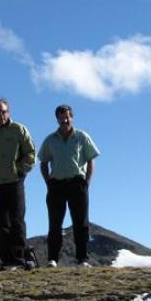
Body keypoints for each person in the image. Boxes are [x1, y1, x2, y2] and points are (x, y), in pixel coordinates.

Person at [38, 104, 100, 267]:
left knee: (81, 223)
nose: (65, 120)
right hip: (56, 185)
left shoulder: (82, 137)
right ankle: (52, 259)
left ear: (72, 117)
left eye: (67, 116)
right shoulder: (50, 140)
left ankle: (82, 259)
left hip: (77, 183)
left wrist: (86, 183)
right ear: (57, 119)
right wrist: (48, 182)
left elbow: (90, 160)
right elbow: (43, 162)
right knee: (55, 223)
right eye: (61, 117)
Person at [0, 98, 36, 269]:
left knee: (17, 221)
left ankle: (18, 259)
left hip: (14, 182)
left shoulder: (19, 129)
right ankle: (6, 260)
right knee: (1, 223)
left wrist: (20, 171)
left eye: (3, 111)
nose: (1, 115)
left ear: (8, 112)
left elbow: (31, 153)